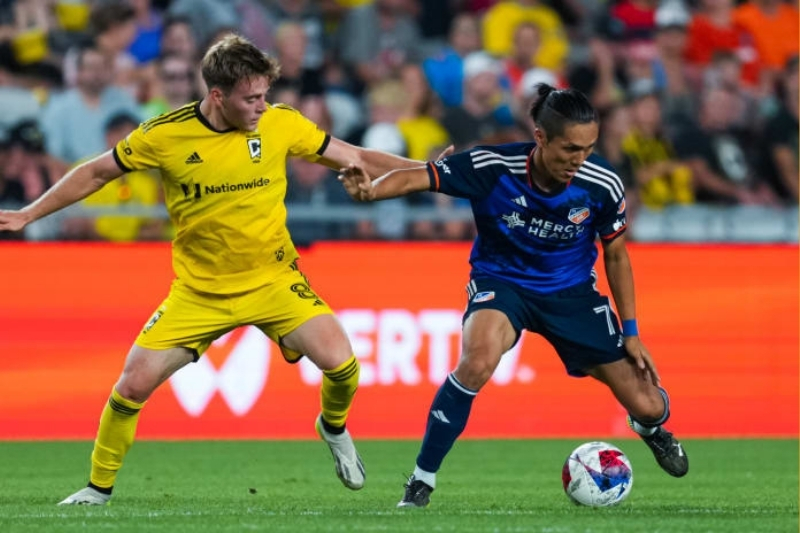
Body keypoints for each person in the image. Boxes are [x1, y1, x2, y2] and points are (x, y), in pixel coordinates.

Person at [0, 33, 431, 505]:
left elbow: (359, 157)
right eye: (251, 98)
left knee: (344, 366)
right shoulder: (164, 135)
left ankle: (333, 427)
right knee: (131, 386)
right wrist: (27, 214)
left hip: (273, 280)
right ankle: (96, 489)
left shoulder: (281, 123)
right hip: (199, 292)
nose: (262, 107)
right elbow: (95, 172)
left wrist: (428, 172)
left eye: (265, 95)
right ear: (218, 96)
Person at [338, 83, 690, 508]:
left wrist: (631, 331)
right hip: (501, 283)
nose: (579, 160)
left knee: (650, 404)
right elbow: (421, 176)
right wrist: (372, 192)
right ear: (540, 137)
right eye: (569, 149)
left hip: (572, 294)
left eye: (588, 148)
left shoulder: (602, 183)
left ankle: (651, 429)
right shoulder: (492, 165)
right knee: (478, 359)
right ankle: (421, 482)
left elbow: (616, 255)